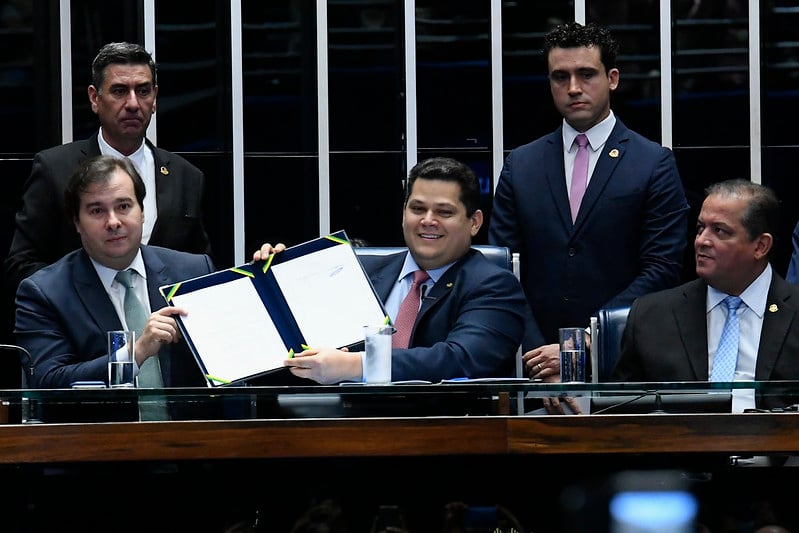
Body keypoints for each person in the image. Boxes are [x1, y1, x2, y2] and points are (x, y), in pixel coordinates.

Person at [488, 21, 689, 382]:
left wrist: (582, 343)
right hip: (534, 369)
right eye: (560, 77)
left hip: (623, 364)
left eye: (586, 74)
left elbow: (661, 270)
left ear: (612, 78)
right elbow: (503, 271)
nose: (573, 88)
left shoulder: (653, 163)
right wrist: (540, 361)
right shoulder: (521, 165)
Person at [254, 157, 542, 384]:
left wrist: (357, 365)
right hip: (340, 429)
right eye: (417, 209)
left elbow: (460, 359)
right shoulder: (361, 272)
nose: (428, 221)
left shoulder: (494, 285)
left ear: (474, 222)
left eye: (444, 212)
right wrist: (273, 281)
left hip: (443, 436)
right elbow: (302, 339)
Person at [14, 155, 214, 419]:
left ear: (142, 212)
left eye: (123, 206)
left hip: (195, 449)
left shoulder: (193, 271)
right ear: (76, 222)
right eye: (97, 211)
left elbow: (237, 351)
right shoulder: (45, 293)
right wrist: (136, 352)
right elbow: (49, 385)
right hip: (101, 451)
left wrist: (272, 277)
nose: (113, 222)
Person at [4, 41, 211, 296]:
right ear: (94, 98)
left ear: (155, 98)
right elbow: (21, 264)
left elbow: (200, 272)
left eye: (143, 91)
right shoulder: (55, 169)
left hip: (163, 329)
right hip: (83, 330)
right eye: (120, 91)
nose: (133, 103)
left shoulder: (186, 177)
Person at [612, 179, 799, 412]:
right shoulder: (651, 315)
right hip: (680, 445)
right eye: (701, 228)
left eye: (719, 231)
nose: (701, 241)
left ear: (760, 246)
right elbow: (621, 414)